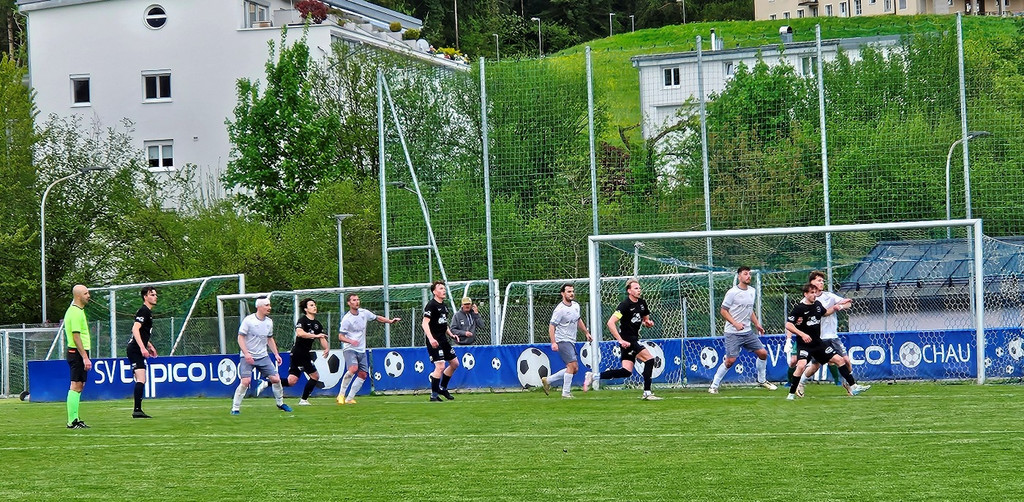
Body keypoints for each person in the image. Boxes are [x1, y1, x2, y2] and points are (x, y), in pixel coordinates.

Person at [583, 279, 663, 401]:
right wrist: (620, 340)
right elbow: (610, 323)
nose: (639, 290)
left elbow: (645, 319)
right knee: (650, 359)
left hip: (633, 339)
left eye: (639, 288)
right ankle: (647, 392)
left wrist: (648, 323)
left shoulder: (642, 303)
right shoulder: (624, 305)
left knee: (626, 371)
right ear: (629, 291)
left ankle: (593, 376)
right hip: (628, 340)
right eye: (636, 288)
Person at [785, 283, 867, 400]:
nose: (814, 295)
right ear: (805, 294)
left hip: (818, 343)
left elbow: (825, 312)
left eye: (815, 292)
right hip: (804, 345)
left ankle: (853, 386)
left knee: (839, 360)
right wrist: (802, 334)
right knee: (801, 365)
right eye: (812, 293)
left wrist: (837, 306)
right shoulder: (799, 308)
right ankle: (791, 394)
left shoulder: (817, 305)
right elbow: (788, 324)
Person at [708, 266, 777, 394]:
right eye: (745, 274)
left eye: (749, 274)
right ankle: (714, 385)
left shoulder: (752, 291)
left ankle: (762, 381)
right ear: (739, 276)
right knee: (730, 361)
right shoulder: (732, 292)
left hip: (747, 332)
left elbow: (749, 310)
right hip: (733, 333)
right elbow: (723, 311)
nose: (748, 276)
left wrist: (756, 324)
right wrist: (735, 323)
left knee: (763, 353)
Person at [230, 297, 292, 414]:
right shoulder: (249, 320)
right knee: (246, 381)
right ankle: (235, 408)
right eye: (267, 305)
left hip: (263, 356)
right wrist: (246, 353)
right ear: (259, 307)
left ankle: (280, 403)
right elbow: (240, 337)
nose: (269, 308)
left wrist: (276, 354)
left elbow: (269, 339)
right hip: (247, 356)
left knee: (276, 379)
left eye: (269, 305)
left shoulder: (269, 322)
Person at [337, 294, 400, 404]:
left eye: (357, 299)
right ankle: (341, 395)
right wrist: (351, 341)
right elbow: (340, 336)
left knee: (363, 374)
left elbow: (377, 318)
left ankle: (350, 398)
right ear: (349, 303)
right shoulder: (347, 319)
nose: (357, 302)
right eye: (354, 300)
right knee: (353, 368)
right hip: (350, 348)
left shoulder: (364, 313)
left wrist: (390, 321)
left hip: (361, 349)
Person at [808, 271, 864, 388]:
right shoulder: (809, 299)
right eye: (819, 280)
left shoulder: (829, 296)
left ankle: (849, 384)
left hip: (833, 336)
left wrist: (841, 305)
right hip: (819, 338)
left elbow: (848, 303)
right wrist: (835, 307)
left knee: (846, 361)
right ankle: (800, 382)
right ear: (811, 282)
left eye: (823, 281)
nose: (822, 283)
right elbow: (823, 314)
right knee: (815, 366)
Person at [541, 284, 592, 399]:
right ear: (562, 293)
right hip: (562, 340)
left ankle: (548, 380)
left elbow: (578, 320)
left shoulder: (576, 306)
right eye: (569, 291)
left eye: (572, 291)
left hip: (571, 340)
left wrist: (586, 333)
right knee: (571, 365)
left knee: (574, 368)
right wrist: (553, 342)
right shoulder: (560, 310)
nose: (571, 293)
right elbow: (551, 326)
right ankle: (566, 393)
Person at [284, 298, 330, 406]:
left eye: (314, 305)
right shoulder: (302, 321)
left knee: (292, 381)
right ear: (305, 309)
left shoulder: (317, 324)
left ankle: (266, 383)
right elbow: (300, 333)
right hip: (300, 352)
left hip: (301, 353)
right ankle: (303, 400)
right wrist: (315, 335)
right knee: (315, 376)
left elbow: (322, 338)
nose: (314, 307)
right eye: (311, 305)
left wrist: (326, 348)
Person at [422, 281, 460, 402]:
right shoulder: (431, 305)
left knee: (455, 364)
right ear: (434, 291)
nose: (444, 290)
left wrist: (451, 335)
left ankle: (443, 388)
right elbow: (424, 323)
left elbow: (443, 324)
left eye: (444, 288)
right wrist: (431, 338)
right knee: (440, 366)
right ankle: (433, 395)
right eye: (441, 288)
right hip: (434, 341)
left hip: (443, 340)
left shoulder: (444, 306)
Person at [126, 286, 159, 418]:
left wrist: (149, 345)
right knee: (141, 378)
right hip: (134, 349)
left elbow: (141, 332)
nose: (155, 297)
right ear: (145, 297)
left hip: (137, 348)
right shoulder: (143, 311)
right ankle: (137, 410)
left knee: (141, 379)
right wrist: (142, 347)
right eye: (152, 294)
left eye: (155, 294)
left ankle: (138, 409)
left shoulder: (148, 312)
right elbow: (135, 329)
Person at [64, 284, 93, 429]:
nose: (89, 296)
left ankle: (75, 418)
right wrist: (85, 357)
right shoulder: (75, 312)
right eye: (86, 293)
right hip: (76, 353)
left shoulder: (78, 311)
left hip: (79, 353)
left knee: (80, 385)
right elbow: (76, 337)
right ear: (78, 296)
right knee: (75, 385)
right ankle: (72, 421)